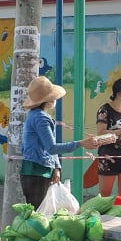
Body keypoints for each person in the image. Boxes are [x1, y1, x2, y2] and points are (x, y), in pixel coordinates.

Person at [20, 76, 97, 209]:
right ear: (48, 100)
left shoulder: (36, 115)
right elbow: (52, 147)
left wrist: (56, 167)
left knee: (40, 215)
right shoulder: (41, 119)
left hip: (37, 170)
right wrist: (80, 143)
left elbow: (49, 146)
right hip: (38, 172)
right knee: (40, 216)